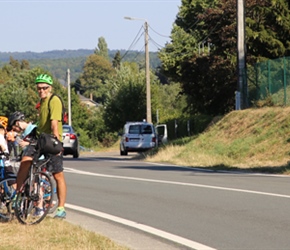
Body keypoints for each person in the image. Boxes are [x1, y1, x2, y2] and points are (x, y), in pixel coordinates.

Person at [35, 73, 67, 219]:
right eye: (39, 88)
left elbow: (54, 124)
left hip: (51, 142)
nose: (41, 91)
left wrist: (58, 146)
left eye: (44, 88)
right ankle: (38, 205)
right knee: (35, 171)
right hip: (42, 140)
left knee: (58, 175)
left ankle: (61, 208)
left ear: (50, 87)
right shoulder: (42, 102)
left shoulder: (54, 100)